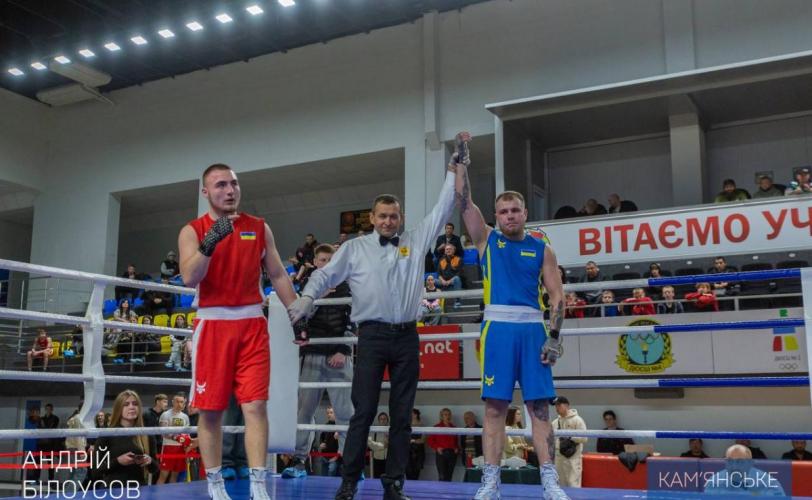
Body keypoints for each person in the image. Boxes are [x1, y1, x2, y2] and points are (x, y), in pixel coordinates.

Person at [287, 134, 464, 500]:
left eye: (393, 216)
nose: (388, 221)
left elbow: (444, 207)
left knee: (402, 414)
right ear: (371, 218)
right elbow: (324, 275)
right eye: (382, 216)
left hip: (407, 336)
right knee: (362, 412)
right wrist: (306, 298)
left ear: (401, 217)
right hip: (370, 336)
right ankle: (349, 482)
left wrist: (454, 167)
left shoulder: (416, 239)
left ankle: (394, 484)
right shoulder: (354, 248)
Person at [453, 150, 568, 499]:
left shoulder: (542, 249)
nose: (509, 216)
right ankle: (490, 481)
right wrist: (461, 165)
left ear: (525, 213)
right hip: (498, 330)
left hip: (533, 330)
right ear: (496, 216)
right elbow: (464, 202)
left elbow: (557, 295)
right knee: (494, 408)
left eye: (515, 210)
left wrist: (554, 336)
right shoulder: (487, 239)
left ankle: (550, 481)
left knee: (539, 408)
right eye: (503, 211)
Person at [178, 163, 297, 500]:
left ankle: (259, 484)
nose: (229, 190)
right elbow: (189, 277)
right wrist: (209, 244)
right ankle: (215, 484)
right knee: (211, 411)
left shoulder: (258, 227)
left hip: (251, 324)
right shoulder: (192, 230)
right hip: (213, 325)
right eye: (220, 185)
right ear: (206, 192)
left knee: (256, 406)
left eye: (233, 183)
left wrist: (296, 314)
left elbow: (277, 274)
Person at [285, 243, 354, 478]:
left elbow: (355, 320)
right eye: (322, 260)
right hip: (313, 354)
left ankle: (349, 463)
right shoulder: (307, 287)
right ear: (315, 262)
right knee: (304, 411)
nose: (326, 264)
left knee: (345, 412)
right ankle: (299, 461)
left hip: (340, 355)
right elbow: (298, 319)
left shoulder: (348, 286)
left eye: (330, 260)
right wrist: (316, 299)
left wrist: (343, 350)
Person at [92, 390, 157, 487]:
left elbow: (155, 469)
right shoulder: (107, 435)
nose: (131, 407)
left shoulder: (146, 434)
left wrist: (149, 461)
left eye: (135, 404)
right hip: (113, 490)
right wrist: (118, 461)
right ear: (119, 408)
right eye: (126, 404)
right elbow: (95, 471)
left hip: (138, 489)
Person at [704, 444, 785, 496]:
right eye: (730, 461)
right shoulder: (715, 481)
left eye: (740, 462)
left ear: (750, 463)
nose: (734, 466)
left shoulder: (768, 482)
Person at [552, 397, 587, 488]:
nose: (557, 408)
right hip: (559, 457)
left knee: (573, 484)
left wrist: (570, 437)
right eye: (556, 405)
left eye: (559, 405)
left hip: (573, 457)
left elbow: (584, 438)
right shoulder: (555, 422)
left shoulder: (577, 420)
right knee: (560, 484)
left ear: (567, 405)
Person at [157, 393, 190, 485]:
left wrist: (187, 442)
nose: (179, 404)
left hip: (181, 448)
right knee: (163, 475)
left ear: (184, 403)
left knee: (175, 476)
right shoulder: (165, 414)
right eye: (177, 401)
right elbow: (163, 432)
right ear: (173, 402)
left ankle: (172, 494)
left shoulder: (185, 417)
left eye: (181, 402)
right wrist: (175, 437)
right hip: (168, 447)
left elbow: (187, 433)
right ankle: (159, 494)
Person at [426, 408, 458, 482]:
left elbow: (456, 441)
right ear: (441, 416)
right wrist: (437, 448)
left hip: (452, 453)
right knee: (442, 476)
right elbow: (430, 441)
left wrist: (456, 448)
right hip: (441, 453)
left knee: (449, 475)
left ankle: (448, 489)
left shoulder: (454, 428)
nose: (448, 416)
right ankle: (441, 490)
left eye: (449, 414)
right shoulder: (436, 427)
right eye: (445, 414)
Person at [316, 407, 342, 477]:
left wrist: (336, 458)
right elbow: (321, 439)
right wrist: (321, 445)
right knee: (323, 478)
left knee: (331, 474)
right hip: (324, 457)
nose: (329, 414)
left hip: (335, 458)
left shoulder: (341, 427)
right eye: (327, 413)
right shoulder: (326, 426)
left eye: (331, 412)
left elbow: (343, 445)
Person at [368, 412, 390, 478]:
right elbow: (370, 443)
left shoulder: (391, 430)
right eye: (381, 419)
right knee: (377, 477)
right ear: (378, 420)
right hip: (377, 458)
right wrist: (383, 446)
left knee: (388, 477)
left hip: (389, 459)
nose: (383, 420)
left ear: (387, 420)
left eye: (384, 419)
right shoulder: (374, 431)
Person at [405, 409, 425, 480]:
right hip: (407, 451)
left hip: (418, 451)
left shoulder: (421, 426)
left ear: (416, 415)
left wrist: (413, 440)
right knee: (408, 471)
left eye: (411, 414)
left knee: (416, 472)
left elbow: (423, 440)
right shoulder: (406, 425)